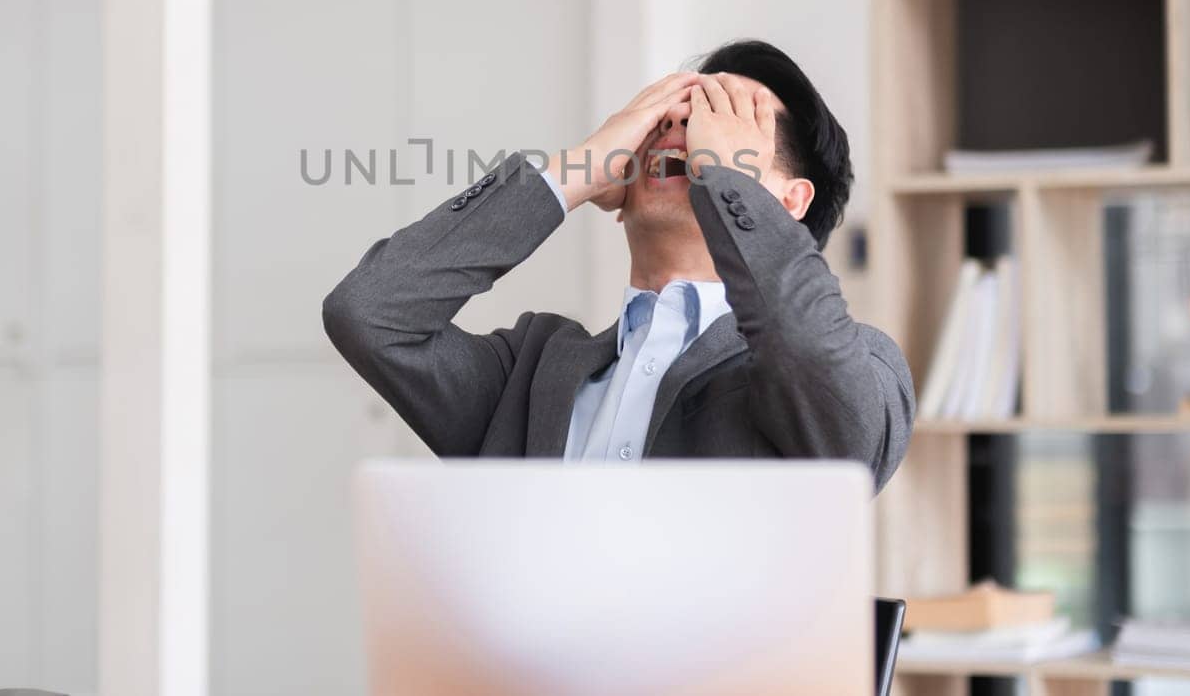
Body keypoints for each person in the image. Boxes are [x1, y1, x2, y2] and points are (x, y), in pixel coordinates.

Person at [322, 39, 913, 490]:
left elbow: (823, 381)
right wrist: (575, 170)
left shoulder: (863, 367)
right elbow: (370, 313)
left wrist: (728, 181)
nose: (684, 127)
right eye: (671, 115)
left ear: (788, 204)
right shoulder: (529, 375)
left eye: (726, 117)